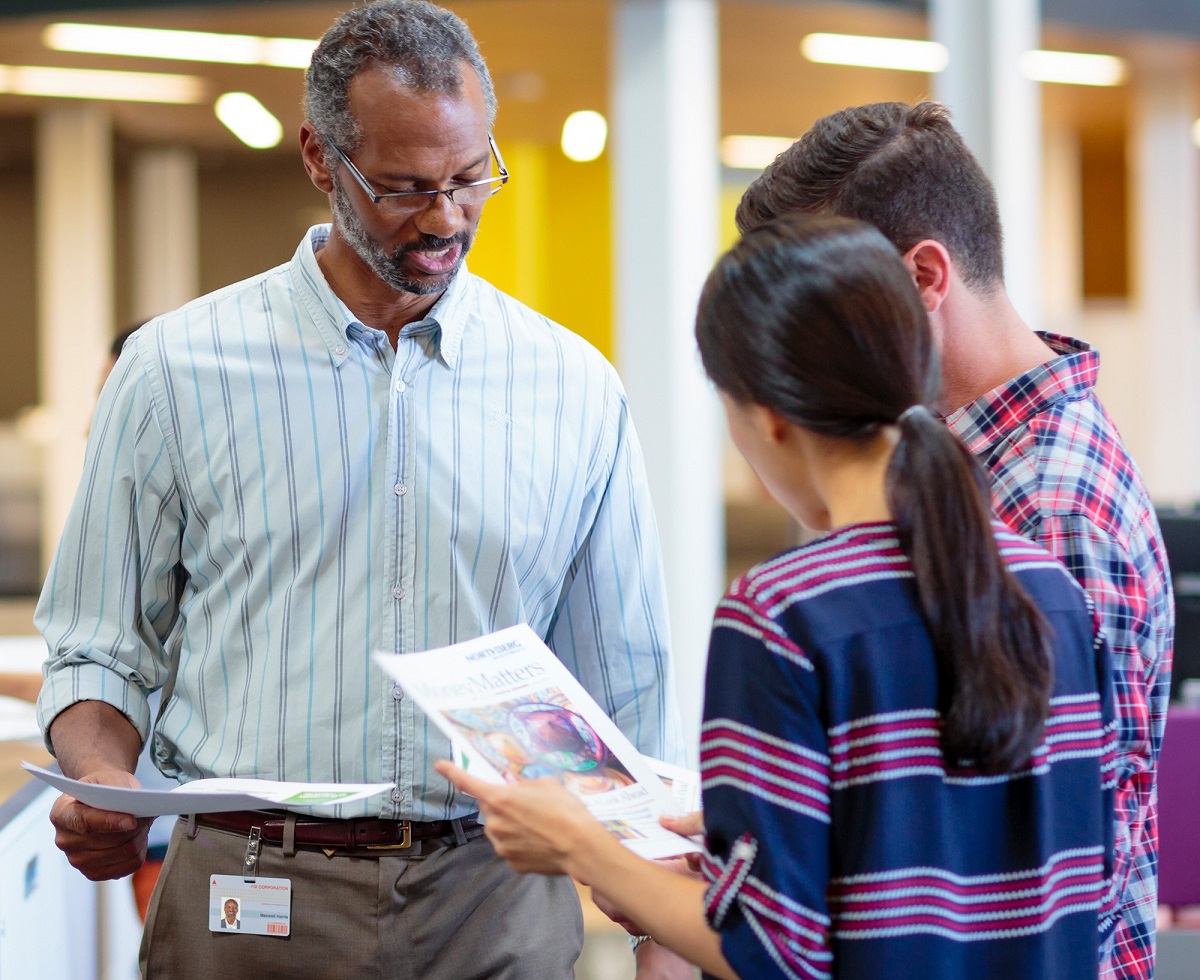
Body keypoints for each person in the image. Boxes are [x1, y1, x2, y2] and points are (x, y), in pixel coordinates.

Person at [35, 2, 682, 977]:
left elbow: (622, 691)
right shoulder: (174, 370)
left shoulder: (574, 385)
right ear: (319, 158)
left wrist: (660, 930)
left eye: (471, 178)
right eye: (402, 187)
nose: (445, 216)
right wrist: (101, 780)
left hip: (494, 897)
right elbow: (98, 644)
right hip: (245, 890)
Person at [442, 213, 1119, 979]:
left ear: (766, 416)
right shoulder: (1050, 592)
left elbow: (768, 951)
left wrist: (582, 848)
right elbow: (1048, 869)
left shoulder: (785, 616)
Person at [734, 102, 1172, 979]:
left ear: (924, 276)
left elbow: (1072, 863)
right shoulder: (961, 462)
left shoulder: (1051, 509)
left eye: (826, 314)